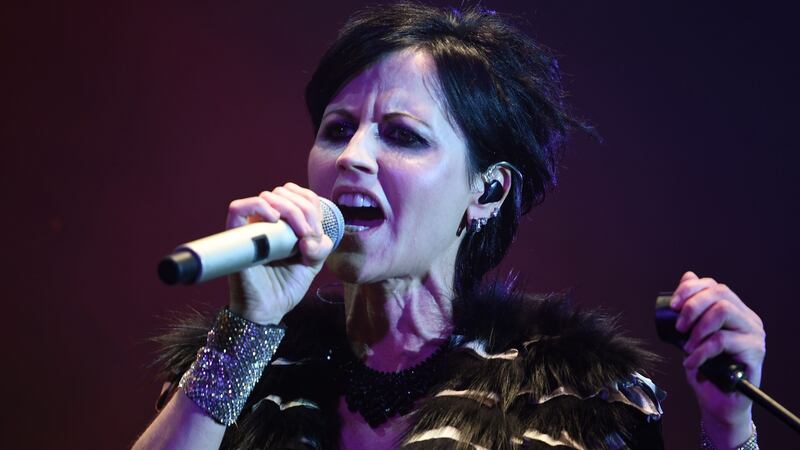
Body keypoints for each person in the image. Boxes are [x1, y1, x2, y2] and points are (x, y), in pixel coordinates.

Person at [134, 3, 766, 449]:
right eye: (336, 130)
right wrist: (246, 333)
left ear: (486, 191)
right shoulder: (237, 373)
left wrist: (729, 425)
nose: (353, 156)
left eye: (403, 136)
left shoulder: (580, 399)